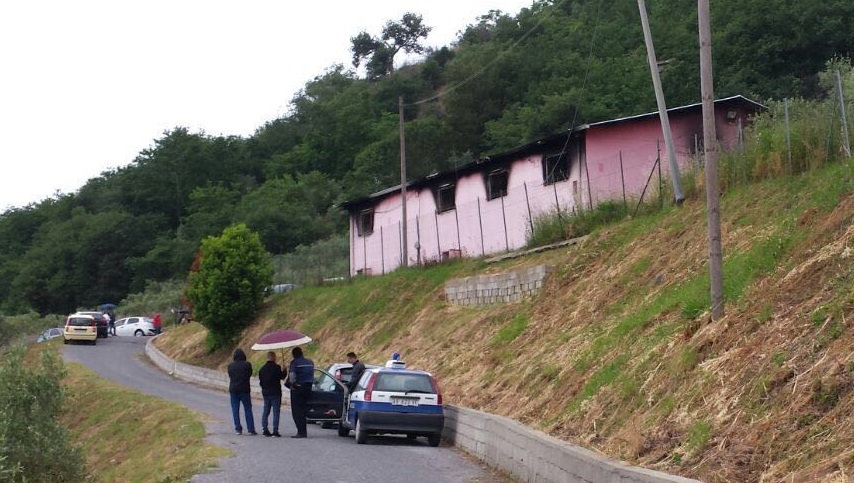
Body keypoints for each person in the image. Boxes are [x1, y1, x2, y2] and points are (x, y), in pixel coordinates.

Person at [228, 348, 256, 435]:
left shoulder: (230, 366)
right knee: (247, 409)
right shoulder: (247, 365)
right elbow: (250, 374)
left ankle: (238, 429)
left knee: (235, 409)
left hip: (233, 390)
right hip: (244, 390)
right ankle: (251, 429)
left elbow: (230, 375)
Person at [287, 346, 314, 438]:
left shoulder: (294, 363)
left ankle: (301, 432)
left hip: (298, 388)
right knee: (304, 409)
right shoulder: (310, 362)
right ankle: (304, 431)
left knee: (297, 411)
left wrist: (292, 384)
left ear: (293, 355)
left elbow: (292, 376)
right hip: (308, 388)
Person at [258, 351, 286, 437]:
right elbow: (282, 377)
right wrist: (285, 370)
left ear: (267, 357)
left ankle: (265, 429)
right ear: (274, 357)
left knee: (266, 411)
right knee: (276, 412)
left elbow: (261, 383)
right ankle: (275, 430)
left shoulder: (262, 369)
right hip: (275, 393)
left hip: (266, 393)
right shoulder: (277, 368)